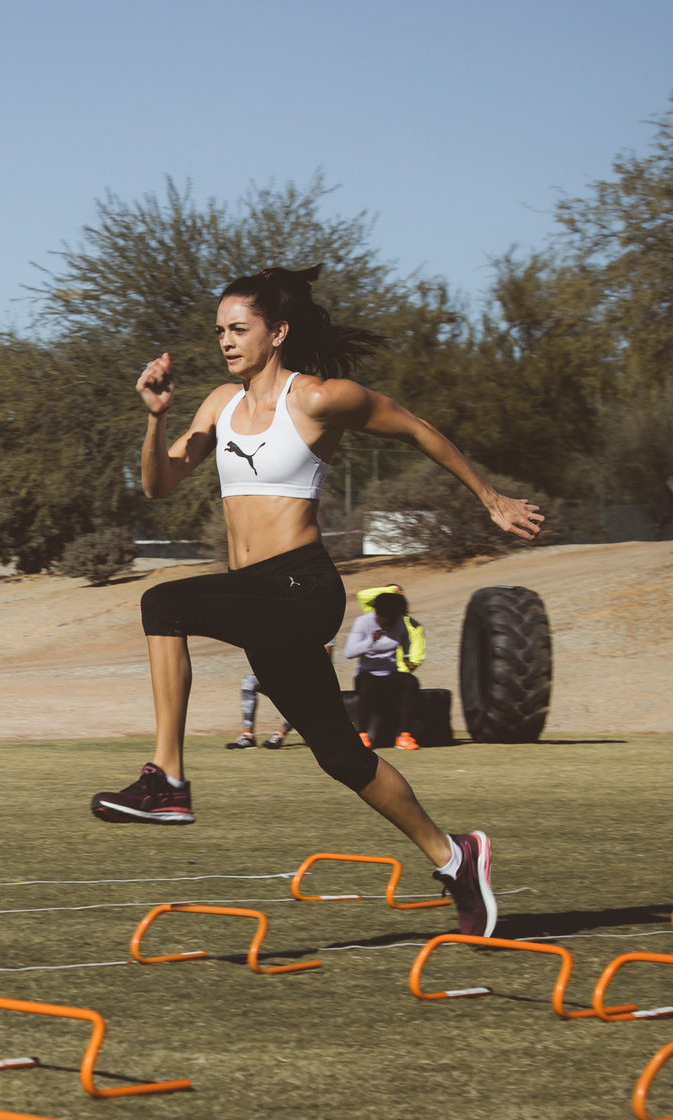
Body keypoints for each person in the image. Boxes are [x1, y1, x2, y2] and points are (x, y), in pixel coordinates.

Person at [90, 264, 543, 939]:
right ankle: (455, 856)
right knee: (340, 756)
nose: (226, 341)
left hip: (300, 587)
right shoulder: (217, 404)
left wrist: (491, 497)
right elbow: (160, 486)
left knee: (164, 605)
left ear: (278, 332)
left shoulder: (320, 400)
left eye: (239, 329)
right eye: (219, 331)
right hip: (260, 598)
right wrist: (155, 421)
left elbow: (416, 427)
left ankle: (168, 781)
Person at [345, 589, 425, 750]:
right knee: (368, 685)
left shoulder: (400, 622)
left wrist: (408, 656)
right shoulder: (363, 622)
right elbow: (349, 653)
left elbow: (406, 639)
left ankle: (404, 736)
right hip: (367, 673)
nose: (388, 625)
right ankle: (362, 735)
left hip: (389, 673)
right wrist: (370, 641)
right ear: (376, 614)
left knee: (411, 682)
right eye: (384, 621)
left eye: (392, 621)